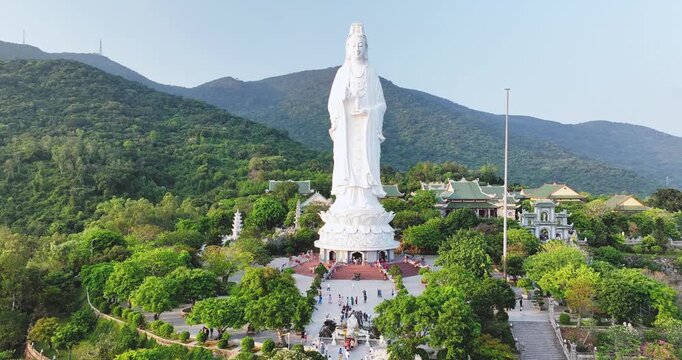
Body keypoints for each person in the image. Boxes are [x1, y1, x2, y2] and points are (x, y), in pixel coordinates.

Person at [327, 23, 387, 208]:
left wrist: (369, 111)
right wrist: (341, 100)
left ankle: (367, 198)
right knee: (346, 158)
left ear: (366, 48)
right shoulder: (342, 73)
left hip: (366, 127)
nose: (357, 49)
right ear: (347, 48)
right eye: (353, 45)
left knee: (366, 159)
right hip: (347, 127)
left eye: (360, 45)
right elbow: (332, 101)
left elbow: (381, 104)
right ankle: (346, 199)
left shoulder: (371, 73)